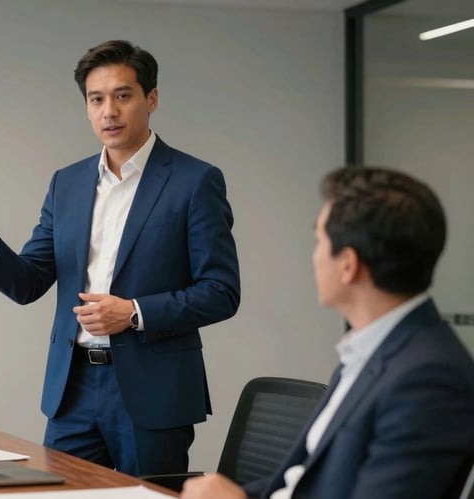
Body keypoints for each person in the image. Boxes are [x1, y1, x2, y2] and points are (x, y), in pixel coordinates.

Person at [0, 39, 240, 476]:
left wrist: (133, 313)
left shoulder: (194, 181)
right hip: (73, 389)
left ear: (151, 99)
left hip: (152, 392)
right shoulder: (68, 183)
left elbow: (221, 292)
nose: (109, 111)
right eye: (96, 99)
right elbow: (30, 282)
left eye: (123, 95)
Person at [181, 166, 474, 499]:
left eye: (319, 240)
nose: (314, 256)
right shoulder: (371, 352)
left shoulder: (429, 379)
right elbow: (300, 484)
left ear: (348, 265)